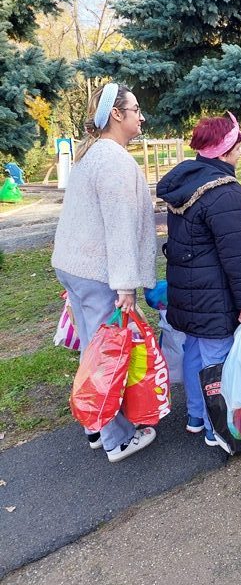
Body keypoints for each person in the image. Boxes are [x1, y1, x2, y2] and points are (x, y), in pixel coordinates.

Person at [52, 83, 158, 462]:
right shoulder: (113, 160)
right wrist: (125, 285)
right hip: (97, 272)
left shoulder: (91, 154)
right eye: (136, 109)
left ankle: (94, 425)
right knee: (107, 358)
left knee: (92, 349)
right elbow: (119, 227)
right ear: (117, 114)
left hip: (73, 266)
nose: (141, 116)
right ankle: (116, 439)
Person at [156, 113, 241, 446]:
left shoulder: (187, 182)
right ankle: (215, 429)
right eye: (239, 145)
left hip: (189, 293)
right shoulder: (224, 193)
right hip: (215, 296)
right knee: (218, 360)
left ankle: (195, 415)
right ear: (227, 149)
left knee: (194, 351)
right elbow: (238, 258)